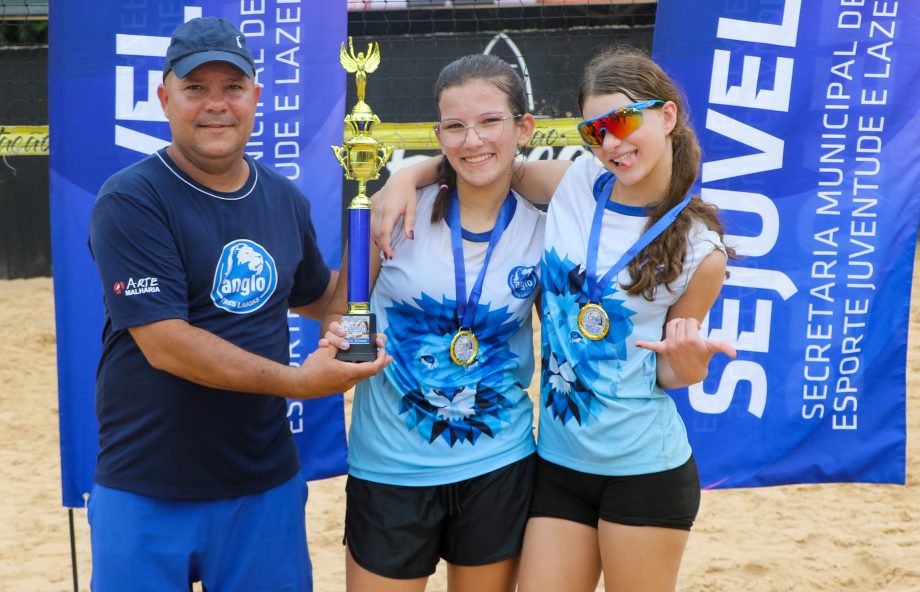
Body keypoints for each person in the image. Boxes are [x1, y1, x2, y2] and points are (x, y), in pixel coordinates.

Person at [370, 46, 736, 592]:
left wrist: (689, 368)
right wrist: (406, 179)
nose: (612, 143)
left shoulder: (701, 253)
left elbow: (666, 373)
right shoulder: (578, 183)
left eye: (624, 121)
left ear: (667, 116)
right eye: (595, 131)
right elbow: (491, 165)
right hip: (558, 464)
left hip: (643, 467)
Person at [87, 17, 389, 592]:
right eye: (196, 88)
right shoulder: (132, 198)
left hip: (261, 486)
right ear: (164, 98)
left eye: (232, 87)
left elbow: (320, 300)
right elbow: (166, 342)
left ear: (256, 96)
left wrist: (367, 228)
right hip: (148, 485)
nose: (215, 105)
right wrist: (297, 383)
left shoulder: (282, 197)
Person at [321, 54, 544, 592]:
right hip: (390, 471)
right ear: (437, 134)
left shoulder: (546, 225)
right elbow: (340, 311)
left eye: (491, 121)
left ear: (524, 127)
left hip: (499, 465)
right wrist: (340, 340)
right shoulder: (391, 213)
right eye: (455, 126)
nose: (473, 140)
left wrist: (410, 168)